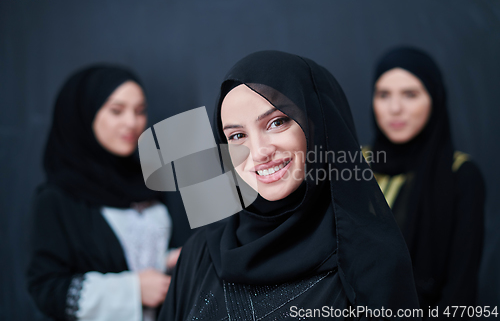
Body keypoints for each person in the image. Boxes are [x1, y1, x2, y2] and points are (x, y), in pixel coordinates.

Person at [159, 50, 420, 320]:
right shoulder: (199, 255)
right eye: (237, 135)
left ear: (316, 125)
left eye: (276, 122)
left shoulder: (373, 262)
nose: (259, 152)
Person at [27, 65, 187, 321]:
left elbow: (141, 253)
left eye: (140, 111)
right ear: (85, 113)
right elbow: (46, 289)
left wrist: (172, 260)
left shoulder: (149, 182)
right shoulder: (57, 198)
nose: (132, 123)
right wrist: (132, 290)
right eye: (116, 110)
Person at [365, 47, 485, 315]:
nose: (395, 108)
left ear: (434, 98)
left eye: (410, 94)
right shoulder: (355, 163)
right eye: (384, 95)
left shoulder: (461, 174)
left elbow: (461, 291)